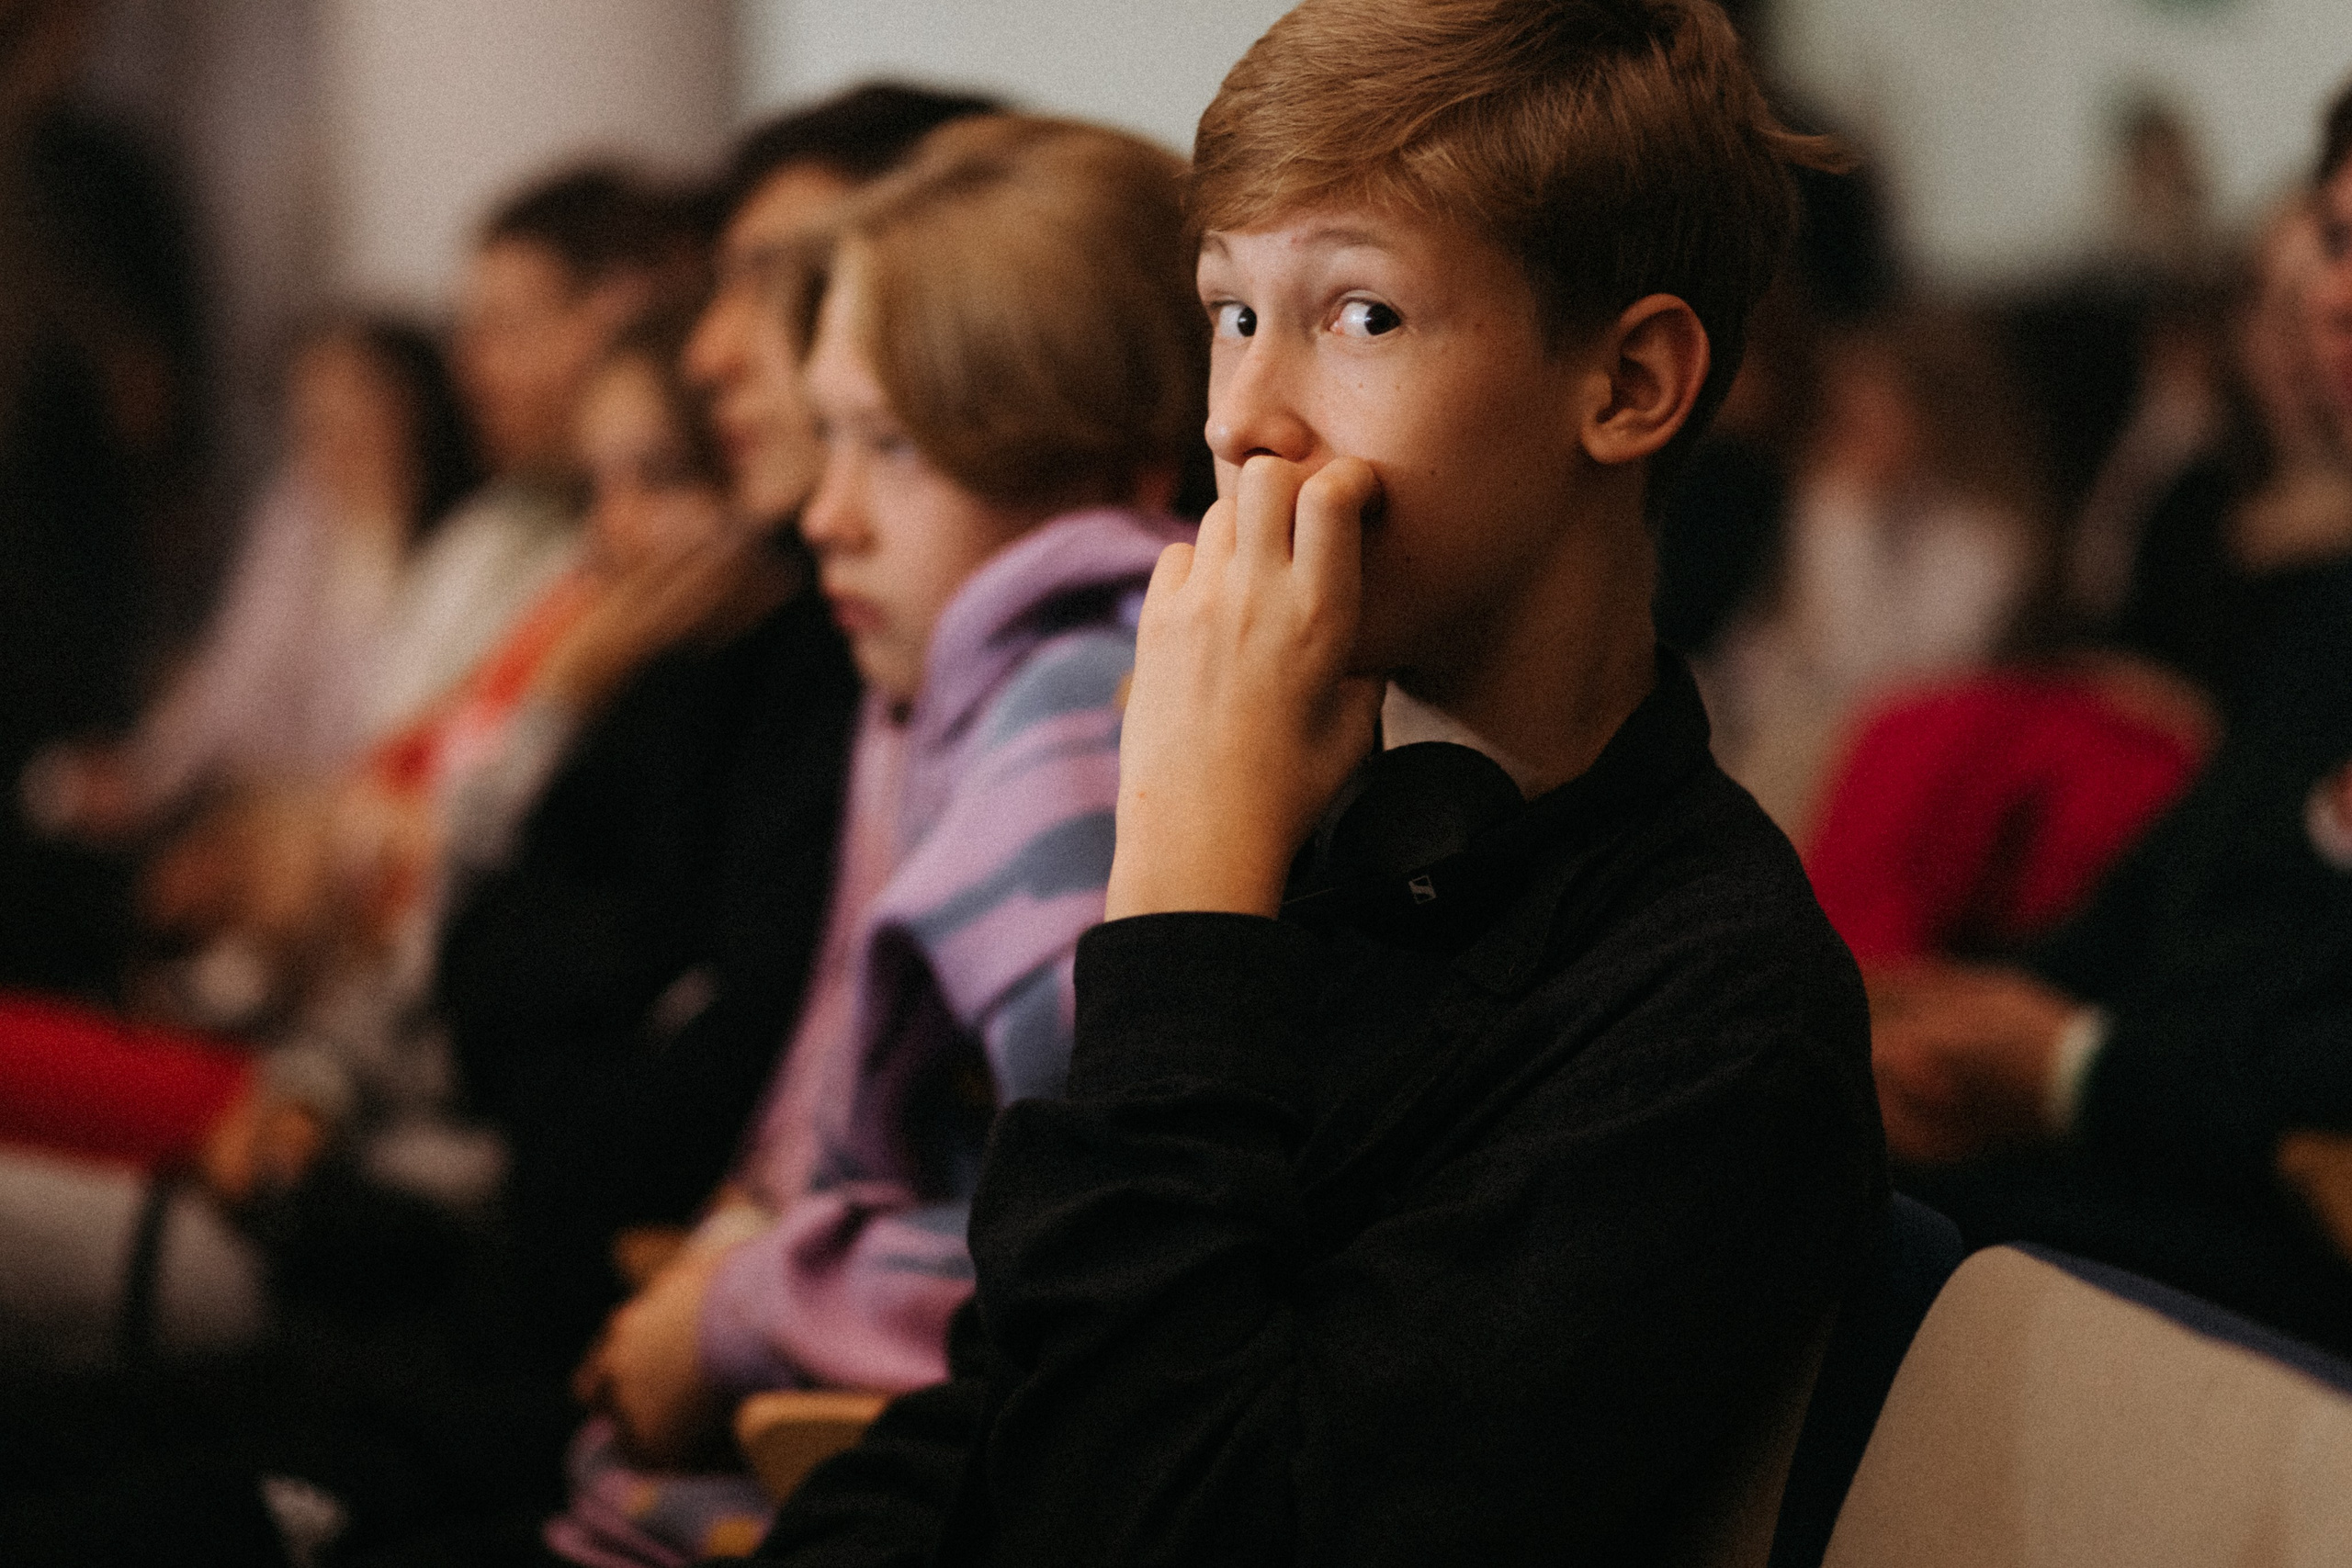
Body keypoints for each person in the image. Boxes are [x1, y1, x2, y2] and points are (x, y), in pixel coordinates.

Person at [758, 3, 1884, 1563]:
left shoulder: (1713, 1022)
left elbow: (1174, 1525)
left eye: (1357, 318)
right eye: (1230, 314)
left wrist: (1180, 899)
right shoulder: (1363, 841)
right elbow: (995, 1417)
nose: (1238, 422)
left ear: (1629, 383)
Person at [546, 111, 1206, 1567]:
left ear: (1087, 453)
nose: (828, 516)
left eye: (894, 449)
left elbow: (1076, 1260)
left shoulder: (1071, 734)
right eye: (832, 436)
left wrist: (741, 1302)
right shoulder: (935, 691)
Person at [439, 79, 997, 1393]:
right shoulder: (763, 659)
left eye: (781, 281)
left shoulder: (890, 675)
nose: (713, 349)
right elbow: (473, 969)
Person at [1870, 78, 2352, 1359]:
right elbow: (2153, 905)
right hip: (2129, 1192)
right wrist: (1929, 1013)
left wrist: (2077, 1066)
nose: (2329, 301)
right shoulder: (2329, 623)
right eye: (2341, 240)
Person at [22, 315, 480, 845]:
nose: (331, 437)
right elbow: (239, 669)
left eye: (353, 408)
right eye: (312, 417)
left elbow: (414, 736)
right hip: (264, 810)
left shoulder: (465, 537)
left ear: (414, 411)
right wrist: (150, 772)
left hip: (377, 822)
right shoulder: (299, 514)